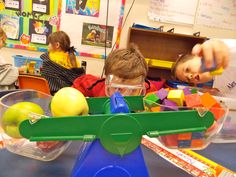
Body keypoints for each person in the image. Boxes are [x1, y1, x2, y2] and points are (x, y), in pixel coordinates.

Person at [72, 44, 165, 97]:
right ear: (107, 80)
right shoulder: (93, 85)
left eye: (133, 91)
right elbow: (71, 92)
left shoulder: (148, 88)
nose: (125, 97)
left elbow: (162, 95)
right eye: (118, 88)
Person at [171, 39, 236, 98]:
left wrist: (216, 45)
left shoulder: (223, 51)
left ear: (197, 56)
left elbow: (218, 46)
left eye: (187, 69)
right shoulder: (218, 87)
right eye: (188, 79)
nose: (189, 76)